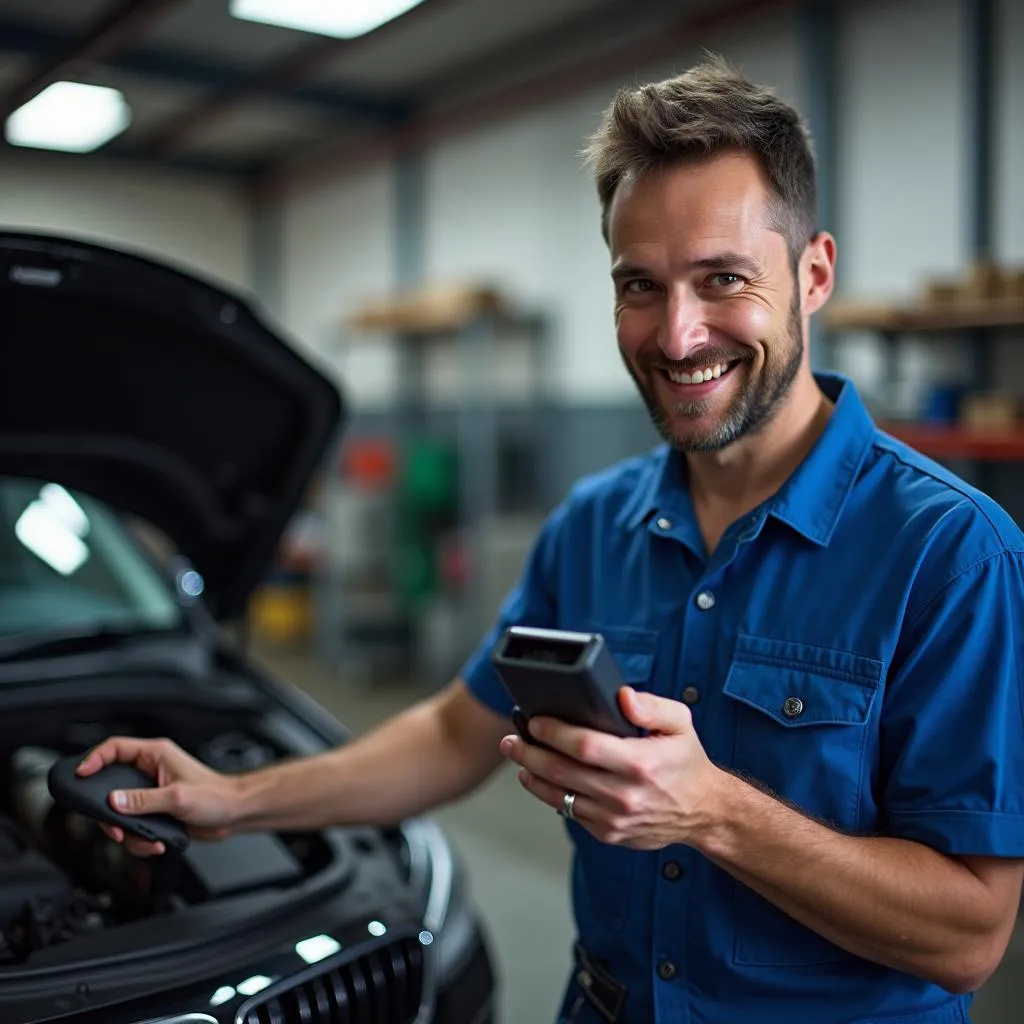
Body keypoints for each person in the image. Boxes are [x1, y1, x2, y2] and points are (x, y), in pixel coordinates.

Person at [77, 56, 1024, 1023]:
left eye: (723, 279)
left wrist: (714, 812)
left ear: (812, 273)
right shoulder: (591, 526)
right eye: (640, 287)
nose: (678, 334)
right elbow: (457, 729)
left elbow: (968, 935)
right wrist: (237, 798)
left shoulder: (952, 555)